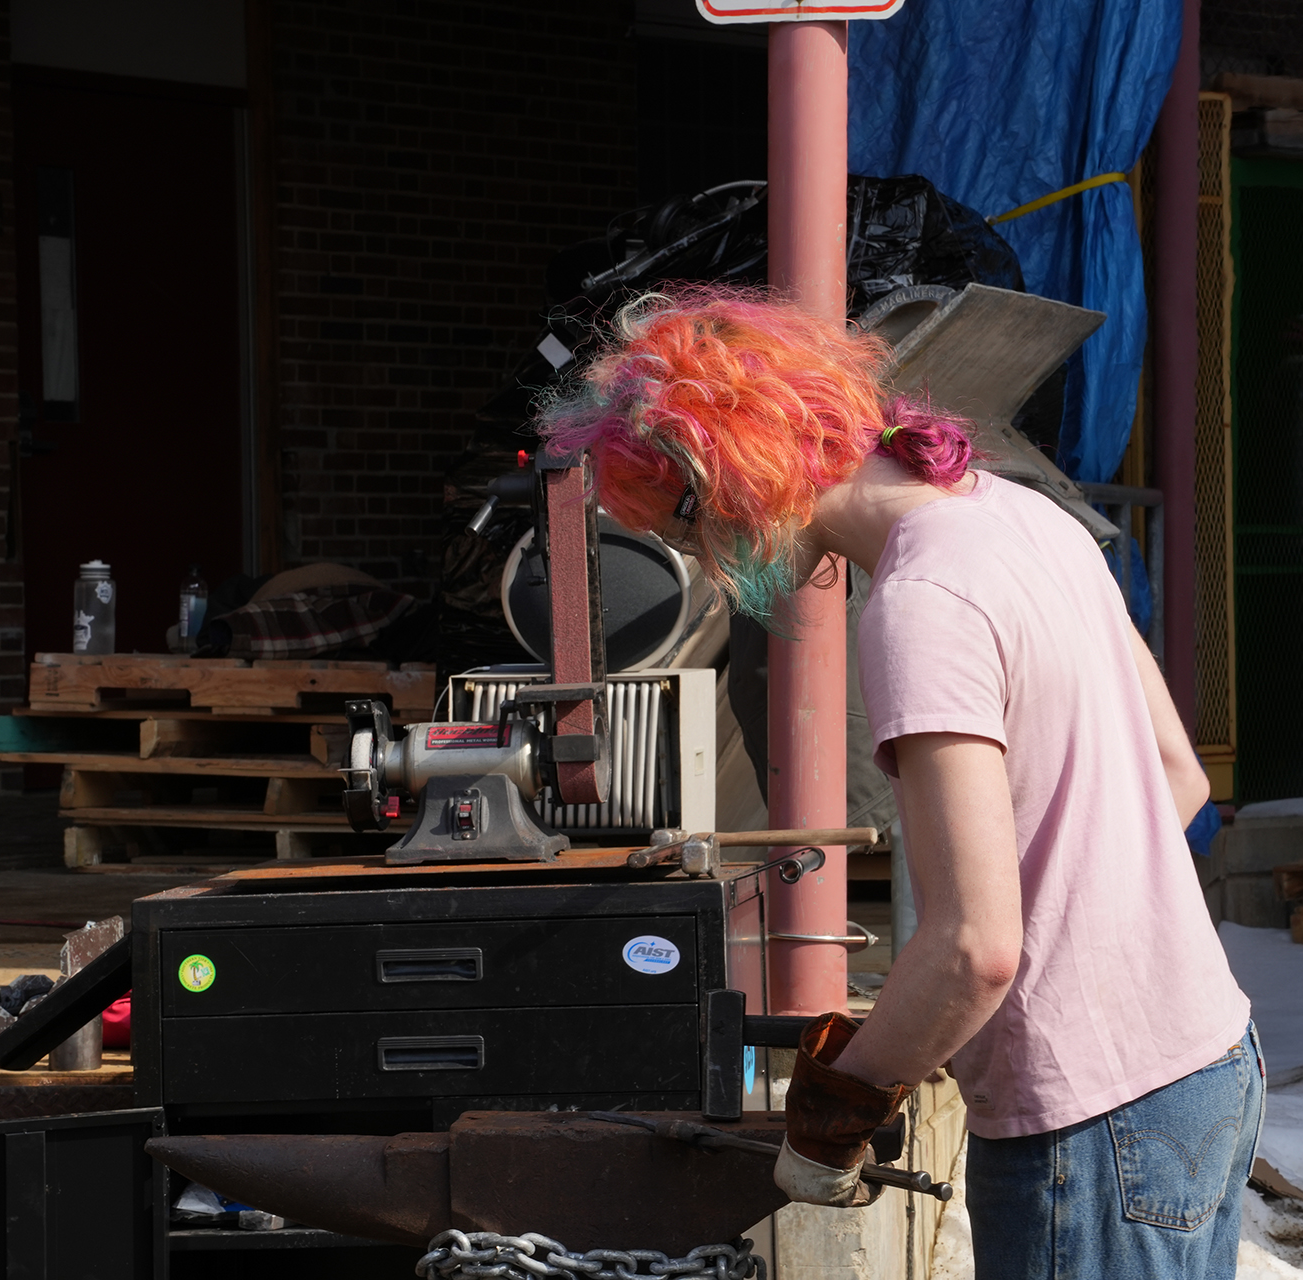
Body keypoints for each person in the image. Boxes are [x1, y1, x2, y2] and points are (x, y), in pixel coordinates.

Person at [538, 287, 1261, 1280]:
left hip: (1091, 1120)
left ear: (724, 480)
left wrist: (835, 1112)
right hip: (1206, 1061)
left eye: (685, 534)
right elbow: (1177, 779)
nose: (707, 565)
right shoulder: (1026, 515)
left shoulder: (924, 602)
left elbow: (973, 948)